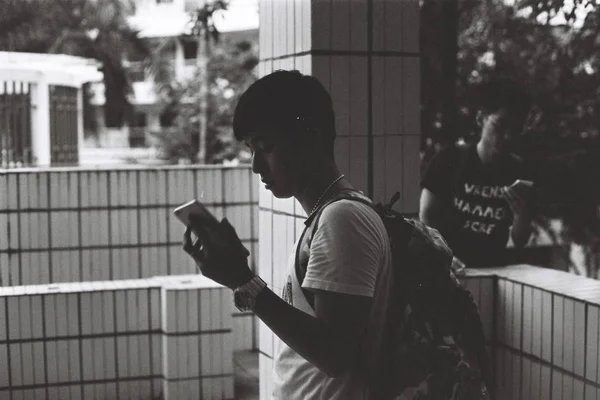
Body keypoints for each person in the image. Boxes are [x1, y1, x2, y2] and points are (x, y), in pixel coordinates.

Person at [182, 70, 393, 399]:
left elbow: (335, 353)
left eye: (266, 147)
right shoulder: (329, 215)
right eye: (251, 148)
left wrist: (243, 280)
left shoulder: (343, 218)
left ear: (310, 138)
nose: (255, 165)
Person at [420, 78, 535, 269]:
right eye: (500, 126)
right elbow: (427, 217)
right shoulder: (449, 159)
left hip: (493, 272)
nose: (507, 136)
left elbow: (520, 240)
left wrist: (522, 214)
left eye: (515, 129)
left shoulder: (520, 171)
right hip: (447, 270)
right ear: (481, 118)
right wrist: (441, 256)